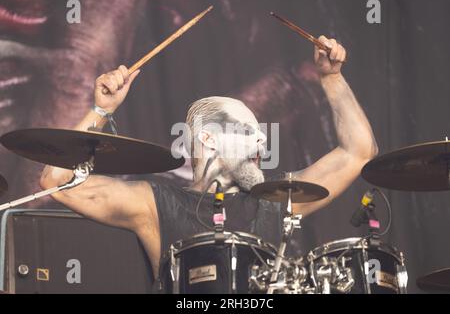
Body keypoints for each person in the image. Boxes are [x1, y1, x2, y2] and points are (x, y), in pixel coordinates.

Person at [40, 36, 378, 289]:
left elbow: (358, 152)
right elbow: (56, 182)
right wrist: (102, 110)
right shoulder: (157, 205)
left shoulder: (276, 200)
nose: (262, 140)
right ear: (209, 139)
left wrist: (331, 78)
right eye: (247, 131)